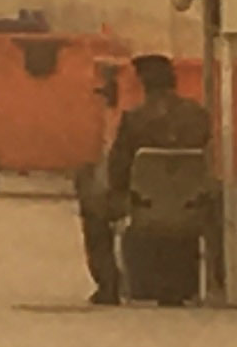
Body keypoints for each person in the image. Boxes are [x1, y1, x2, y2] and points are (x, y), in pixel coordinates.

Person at [83, 52, 214, 306]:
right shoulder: (199, 117)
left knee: (92, 207)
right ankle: (212, 282)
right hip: (191, 205)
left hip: (142, 205)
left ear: (143, 83)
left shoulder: (134, 120)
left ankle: (108, 286)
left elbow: (117, 174)